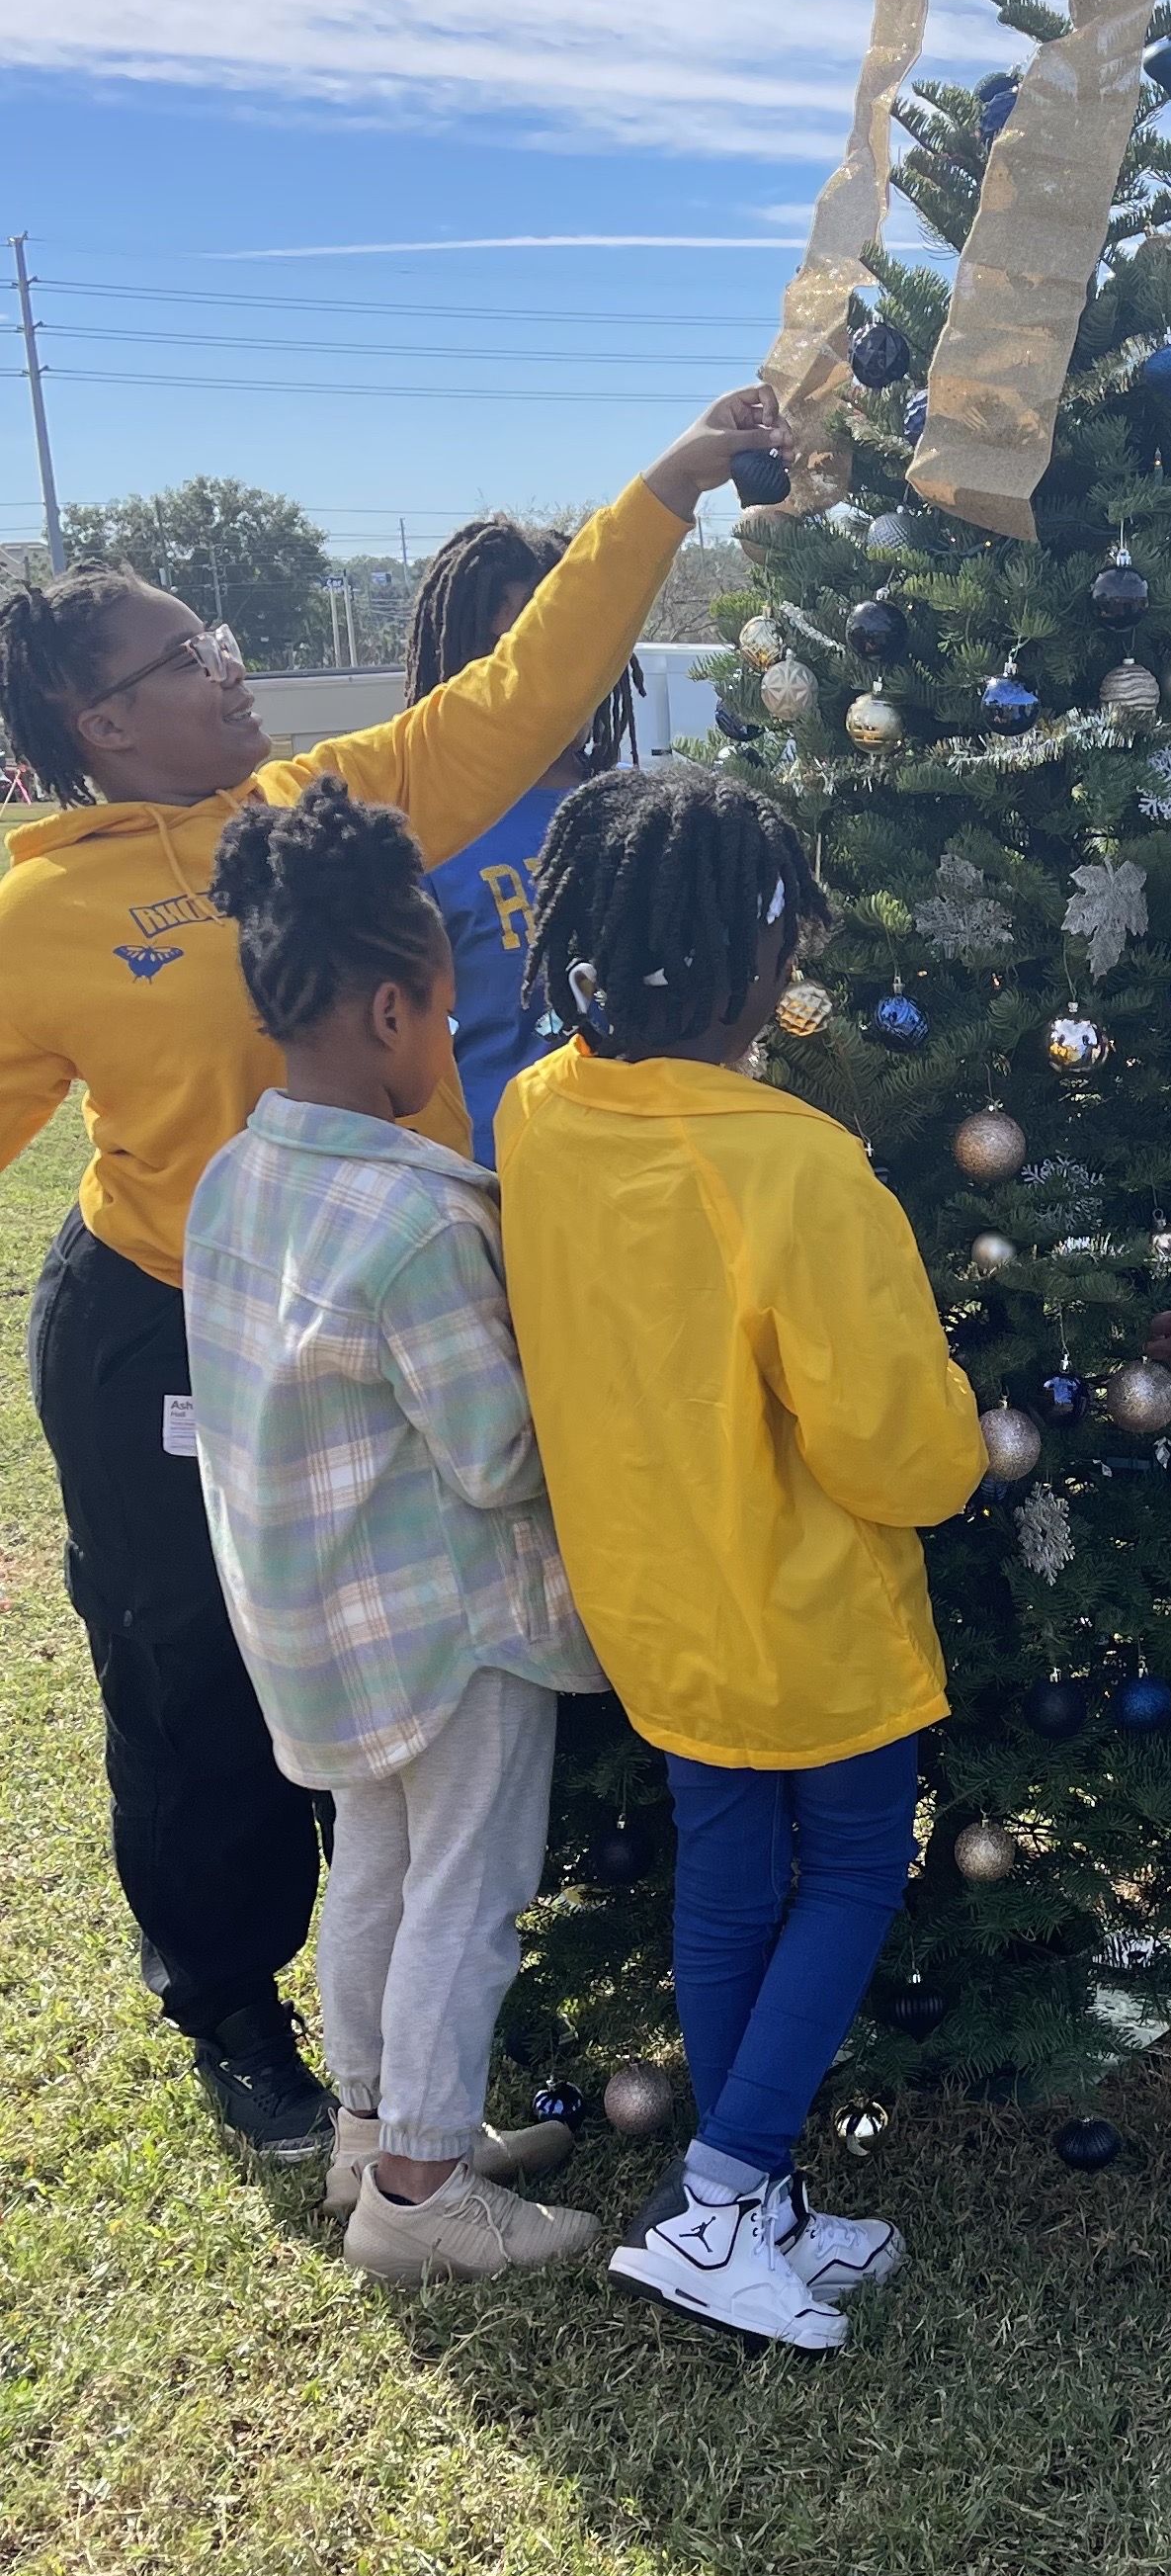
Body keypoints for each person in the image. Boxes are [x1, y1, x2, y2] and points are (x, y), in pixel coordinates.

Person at [0, 385, 775, 2163]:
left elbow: (519, 688)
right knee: (195, 1676)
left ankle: (397, 2058)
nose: (228, 666)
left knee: (399, 1668)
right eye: (187, 656)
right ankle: (230, 2008)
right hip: (169, 1326)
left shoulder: (322, 803)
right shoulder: (38, 919)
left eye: (217, 637)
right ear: (97, 724)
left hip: (386, 1289)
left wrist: (668, 484)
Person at [496, 761, 986, 2356]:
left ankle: (755, 2197)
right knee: (848, 1864)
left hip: (654, 1590)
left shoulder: (539, 1109)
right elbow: (895, 1447)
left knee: (726, 1868)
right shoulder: (792, 1164)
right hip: (802, 1605)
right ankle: (715, 2198)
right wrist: (957, 1438)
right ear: (759, 955)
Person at [183, 781, 603, 2284]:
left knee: (373, 1862)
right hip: (447, 1624)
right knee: (467, 1890)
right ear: (386, 1012)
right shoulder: (420, 1219)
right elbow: (495, 1453)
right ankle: (421, 2195)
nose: (454, 1028)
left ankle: (372, 2133)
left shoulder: (234, 1177)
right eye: (443, 1003)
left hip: (313, 1623)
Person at [404, 517, 638, 1165]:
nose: (544, 672)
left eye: (566, 641)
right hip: (497, 1179)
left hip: (648, 1161)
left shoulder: (641, 813)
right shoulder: (415, 832)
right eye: (512, 650)